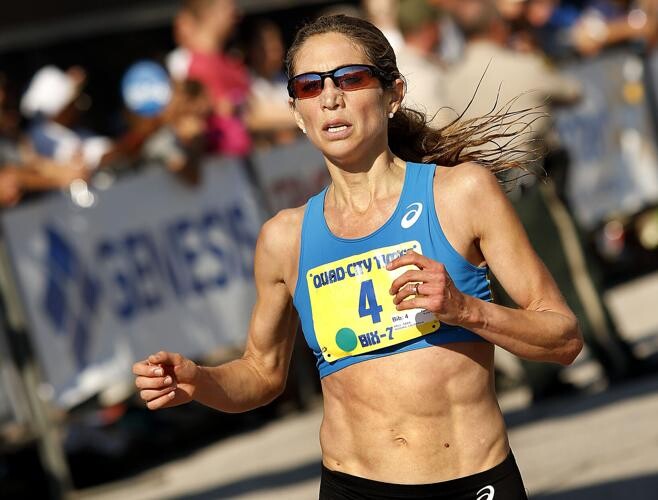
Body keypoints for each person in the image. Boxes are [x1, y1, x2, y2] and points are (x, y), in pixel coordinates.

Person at [133, 15, 582, 499]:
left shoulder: (461, 194)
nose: (330, 98)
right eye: (310, 86)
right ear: (297, 111)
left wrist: (466, 310)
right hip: (352, 487)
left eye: (350, 78)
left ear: (394, 94)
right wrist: (199, 381)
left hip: (471, 482)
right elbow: (262, 374)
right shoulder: (284, 238)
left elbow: (563, 338)